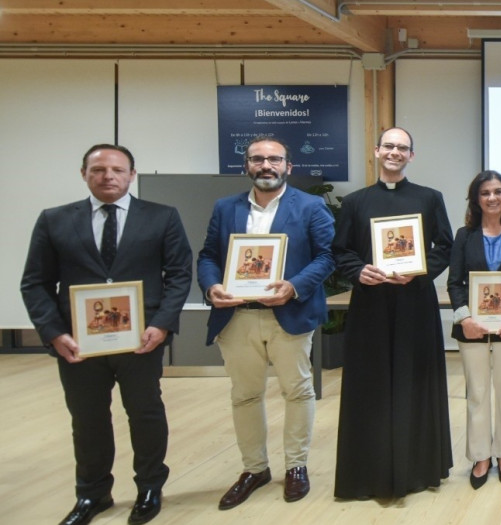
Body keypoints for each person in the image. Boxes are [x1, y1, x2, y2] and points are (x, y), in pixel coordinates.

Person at [21, 144, 192, 525]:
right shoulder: (55, 220)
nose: (108, 176)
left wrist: (162, 323)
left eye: (117, 170)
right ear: (84, 174)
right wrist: (53, 334)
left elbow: (179, 274)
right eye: (98, 170)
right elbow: (35, 283)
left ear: (132, 174)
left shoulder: (161, 217)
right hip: (78, 344)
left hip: (142, 340)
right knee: (87, 418)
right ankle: (92, 494)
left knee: (145, 413)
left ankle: (149, 487)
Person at [196, 136, 335, 510]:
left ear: (289, 166)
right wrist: (211, 286)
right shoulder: (225, 208)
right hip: (237, 317)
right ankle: (254, 469)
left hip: (288, 315)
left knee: (298, 391)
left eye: (274, 159)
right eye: (257, 159)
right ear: (247, 166)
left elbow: (326, 257)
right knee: (244, 395)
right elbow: (208, 255)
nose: (266, 166)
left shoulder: (310, 206)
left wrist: (294, 286)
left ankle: (296, 466)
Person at [331, 127, 455, 499]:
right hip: (370, 306)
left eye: (402, 148)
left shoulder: (430, 198)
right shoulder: (355, 203)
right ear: (376, 151)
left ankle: (418, 469)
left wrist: (420, 269)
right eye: (389, 146)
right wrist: (358, 271)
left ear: (411, 156)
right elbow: (340, 252)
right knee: (370, 386)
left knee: (416, 382)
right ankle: (368, 473)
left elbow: (445, 246)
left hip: (415, 303)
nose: (395, 152)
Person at [448, 170, 501, 489]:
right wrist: (464, 318)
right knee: (478, 393)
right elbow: (454, 282)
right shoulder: (463, 235)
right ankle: (480, 455)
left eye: (498, 191)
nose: (492, 198)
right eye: (485, 193)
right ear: (476, 199)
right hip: (472, 328)